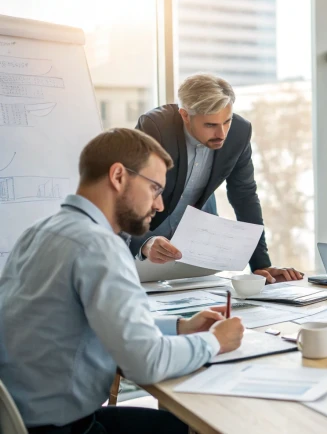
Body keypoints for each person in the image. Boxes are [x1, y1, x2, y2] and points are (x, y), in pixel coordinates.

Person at [0, 128, 245, 433]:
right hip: (63, 427)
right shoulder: (98, 245)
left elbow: (92, 323)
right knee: (200, 427)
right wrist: (215, 341)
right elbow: (146, 362)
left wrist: (180, 327)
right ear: (118, 176)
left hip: (21, 419)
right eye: (155, 189)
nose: (159, 205)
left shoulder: (39, 232)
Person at [131, 73, 301, 283]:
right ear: (185, 115)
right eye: (210, 125)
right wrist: (143, 243)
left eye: (226, 121)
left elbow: (244, 196)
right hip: (147, 245)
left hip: (197, 247)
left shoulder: (239, 131)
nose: (221, 133)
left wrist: (261, 264)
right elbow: (131, 193)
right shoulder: (155, 127)